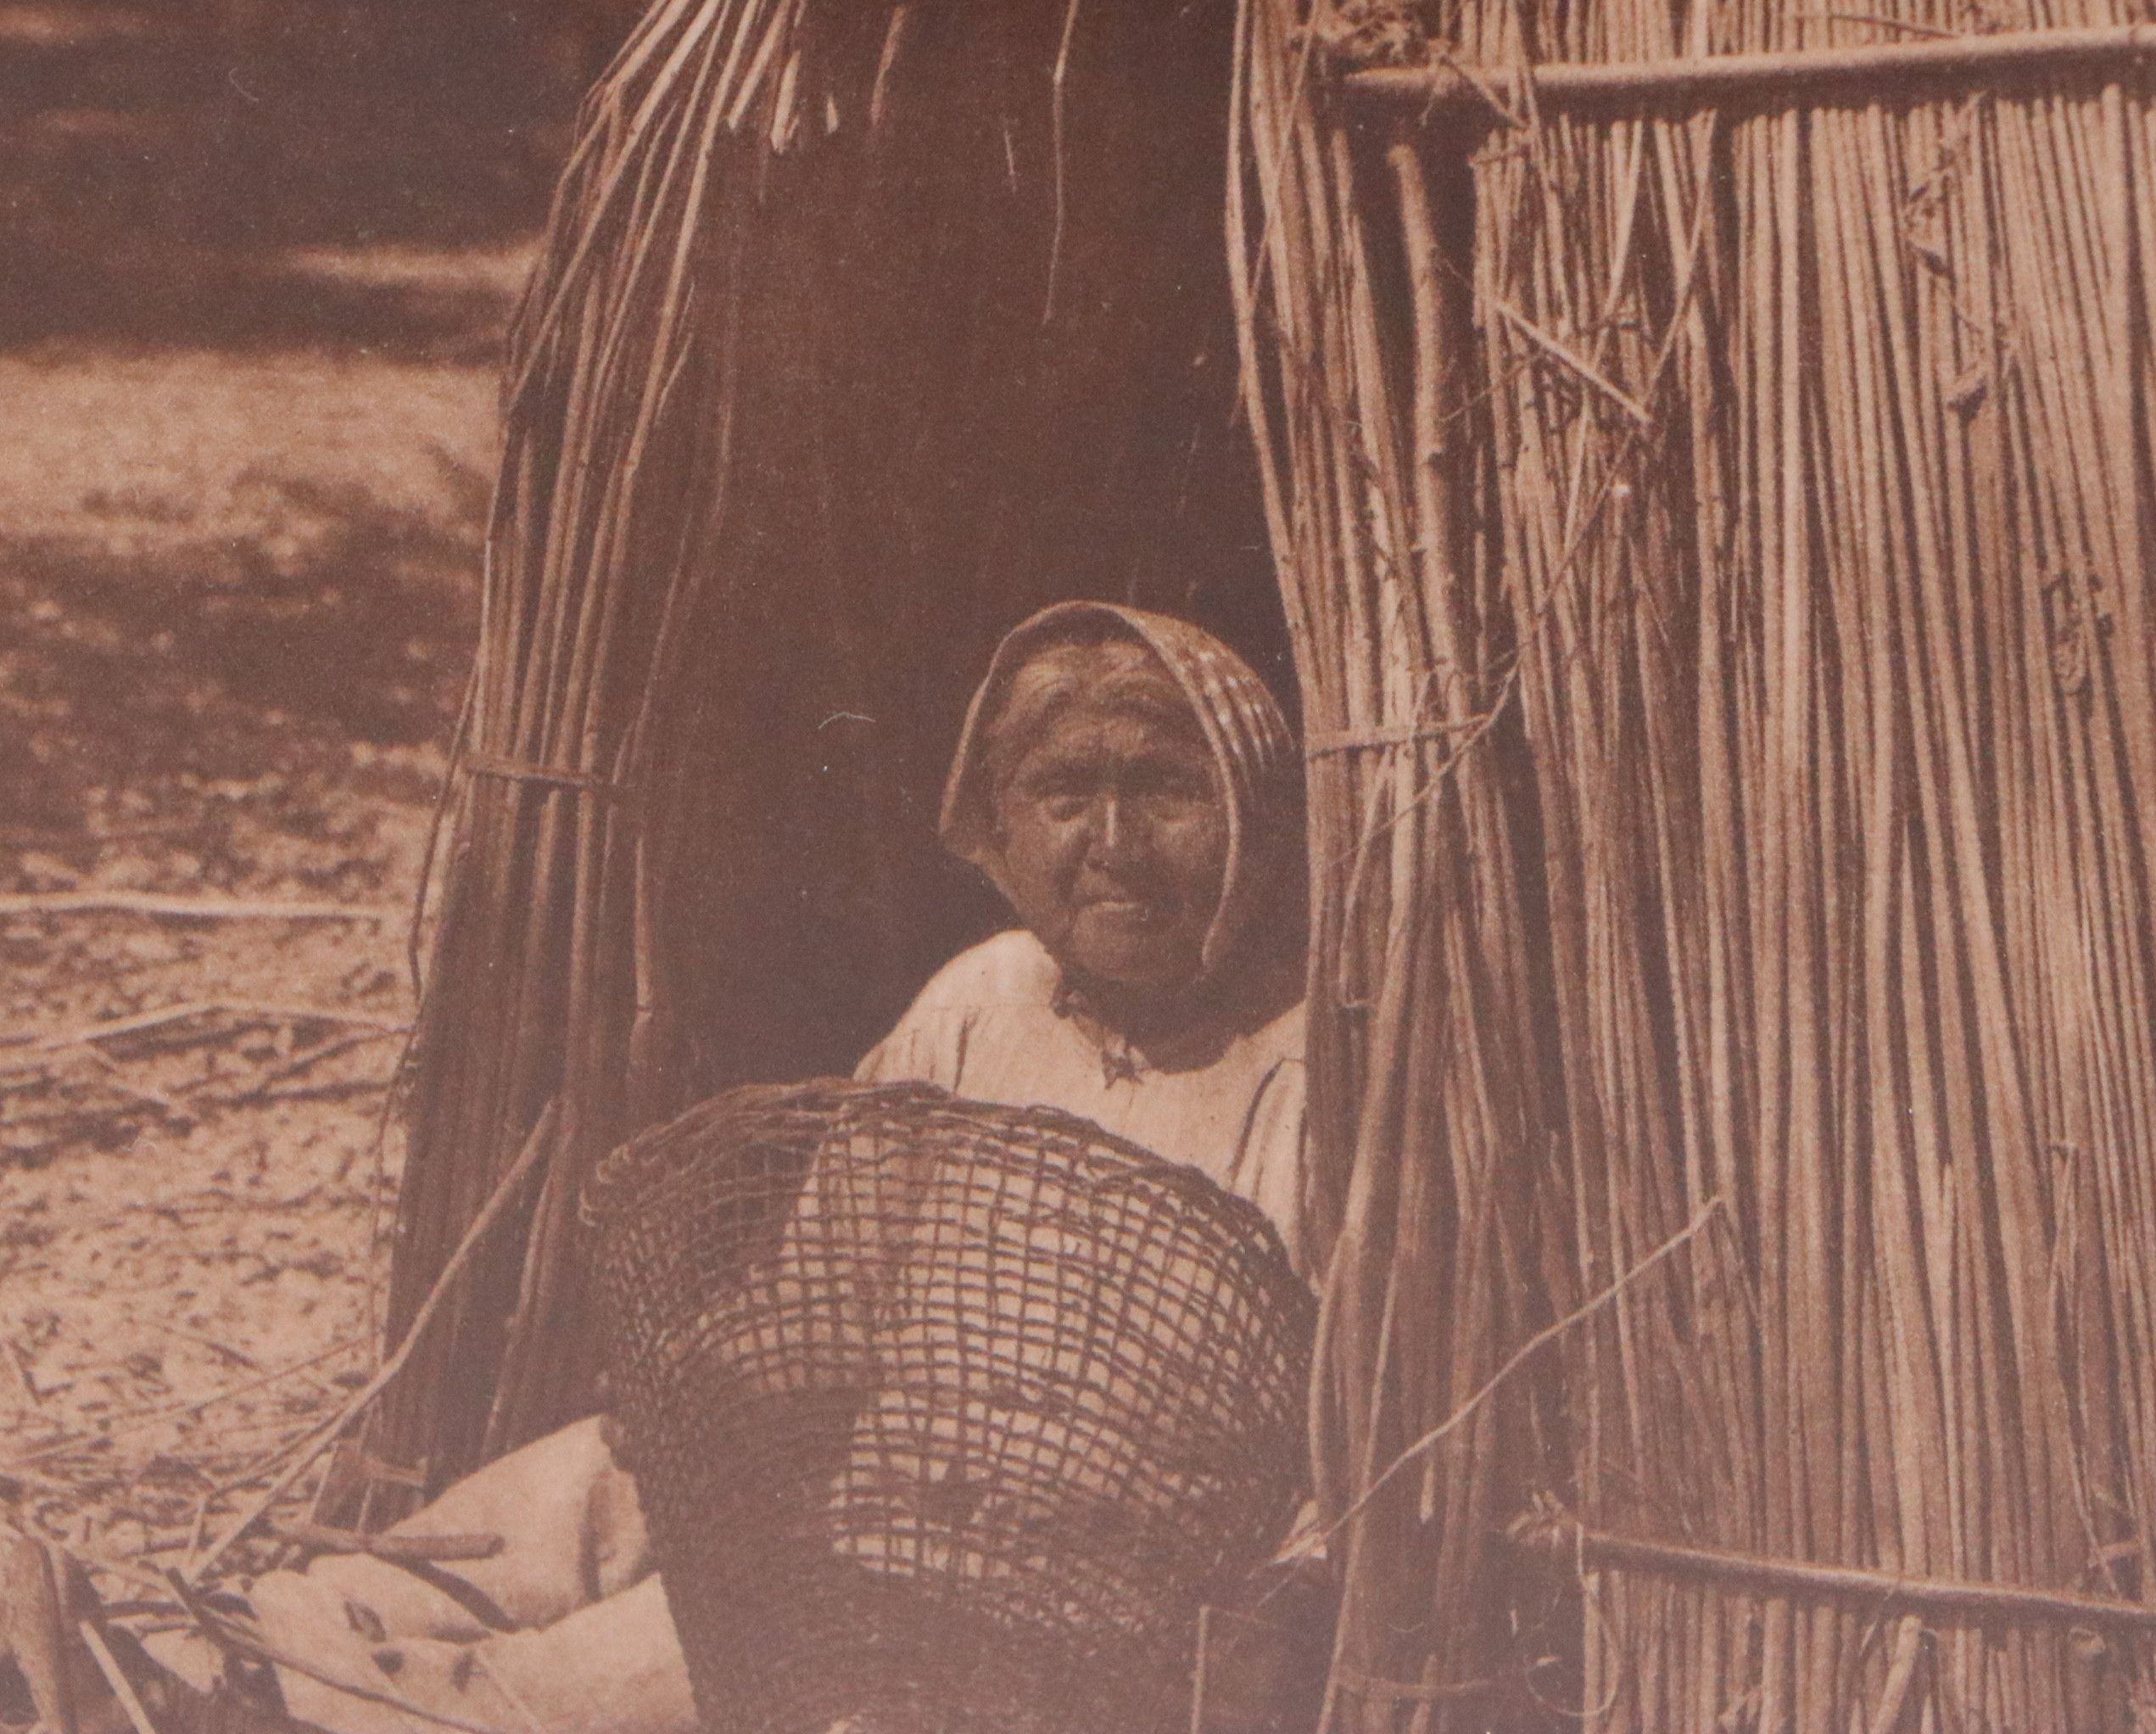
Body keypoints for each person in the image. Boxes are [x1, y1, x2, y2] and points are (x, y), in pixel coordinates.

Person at [0, 604, 1309, 1734]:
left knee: (667, 1657)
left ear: (1249, 810)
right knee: (592, 1481)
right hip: (875, 1473)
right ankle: (200, 1652)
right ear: (1000, 824)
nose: (1115, 841)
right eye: (1067, 795)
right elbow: (827, 1275)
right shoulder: (986, 1000)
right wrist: (722, 1391)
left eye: (1167, 789)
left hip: (1067, 1588)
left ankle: (289, 1712)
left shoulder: (1308, 1066)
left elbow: (1336, 1443)